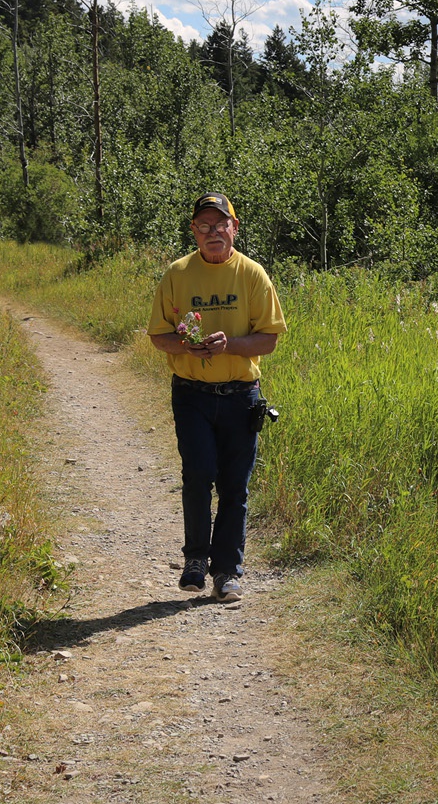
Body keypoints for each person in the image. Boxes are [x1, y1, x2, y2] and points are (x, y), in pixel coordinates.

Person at [148, 192, 287, 602]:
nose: (213, 232)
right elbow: (158, 335)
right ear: (194, 230)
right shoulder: (177, 274)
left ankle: (227, 572)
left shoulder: (252, 274)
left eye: (220, 224)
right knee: (198, 475)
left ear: (234, 228)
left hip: (241, 395)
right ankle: (195, 560)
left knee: (234, 486)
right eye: (204, 225)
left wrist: (230, 346)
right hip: (191, 393)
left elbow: (269, 339)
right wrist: (184, 345)